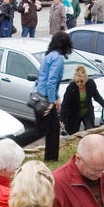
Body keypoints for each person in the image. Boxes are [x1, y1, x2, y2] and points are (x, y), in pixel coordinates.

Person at [33, 32, 72, 162]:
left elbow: (45, 79)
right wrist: (52, 101)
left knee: (52, 128)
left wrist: (57, 96)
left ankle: (51, 157)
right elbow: (51, 80)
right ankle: (14, 141)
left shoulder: (49, 55)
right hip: (45, 98)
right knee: (42, 130)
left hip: (40, 94)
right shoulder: (58, 58)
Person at [61, 65, 104, 135]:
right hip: (74, 114)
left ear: (85, 79)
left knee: (90, 130)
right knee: (73, 133)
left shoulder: (91, 84)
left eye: (81, 81)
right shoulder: (71, 87)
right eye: (77, 82)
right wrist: (62, 119)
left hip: (87, 112)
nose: (79, 83)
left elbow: (96, 95)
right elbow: (65, 104)